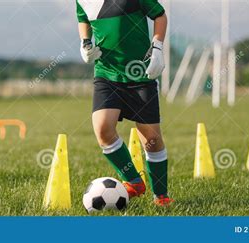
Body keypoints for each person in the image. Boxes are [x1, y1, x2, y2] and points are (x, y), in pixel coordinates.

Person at [76, 0, 172, 206]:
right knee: (103, 129)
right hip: (107, 73)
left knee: (151, 139)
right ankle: (134, 182)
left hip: (140, 74)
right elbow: (82, 18)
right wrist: (85, 42)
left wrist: (157, 48)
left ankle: (161, 196)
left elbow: (160, 15)